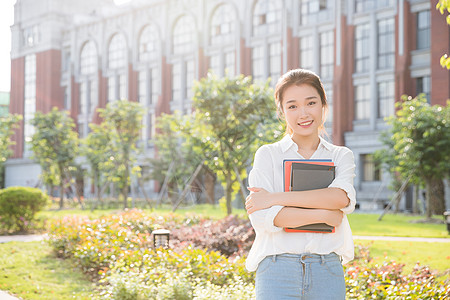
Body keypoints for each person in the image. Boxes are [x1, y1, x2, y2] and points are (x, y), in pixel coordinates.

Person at [245, 69, 356, 300]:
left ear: (323, 105)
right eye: (292, 106)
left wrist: (274, 198)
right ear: (282, 111)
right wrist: (325, 214)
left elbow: (340, 198)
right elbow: (265, 219)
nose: (303, 113)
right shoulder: (268, 155)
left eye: (311, 103)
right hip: (276, 270)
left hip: (327, 271)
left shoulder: (340, 155)